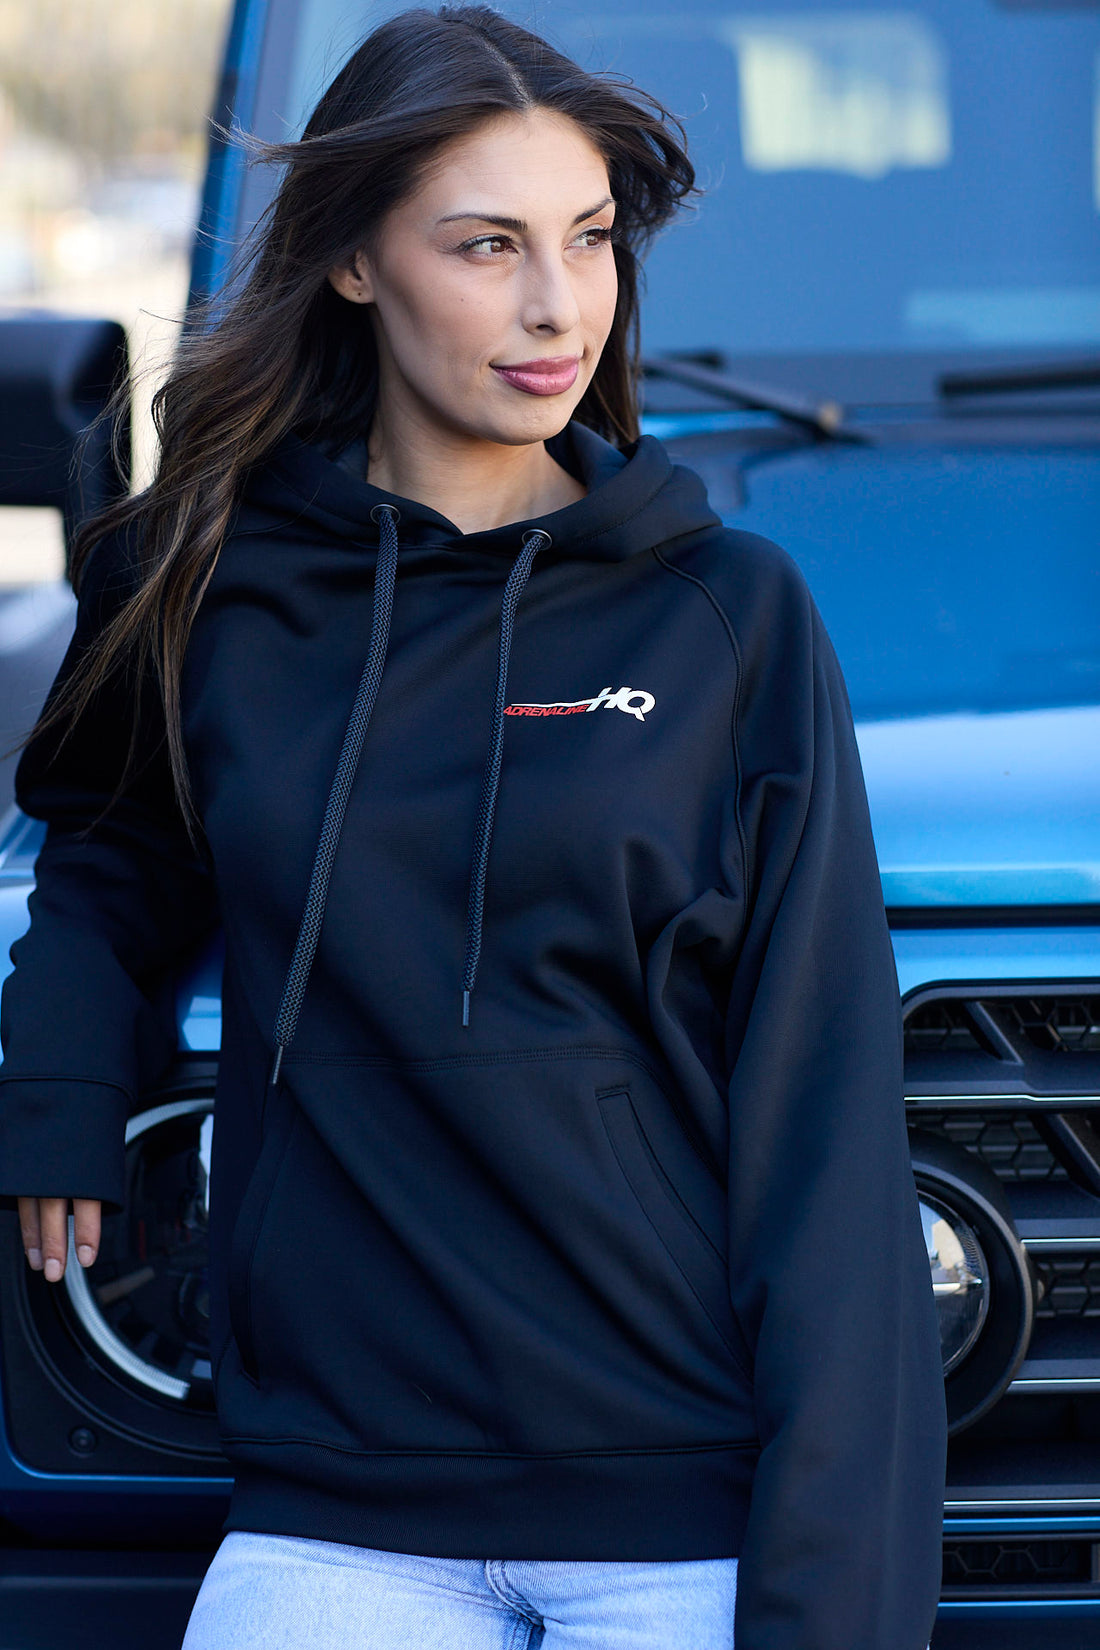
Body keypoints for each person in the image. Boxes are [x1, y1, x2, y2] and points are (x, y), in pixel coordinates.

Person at [0, 6, 947, 1647]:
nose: (557, 304)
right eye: (487, 245)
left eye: (589, 237)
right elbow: (113, 845)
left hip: (675, 1517)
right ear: (353, 261)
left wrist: (830, 1609)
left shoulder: (727, 615)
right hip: (336, 1515)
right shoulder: (205, 581)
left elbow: (828, 1127)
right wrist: (63, 1083)